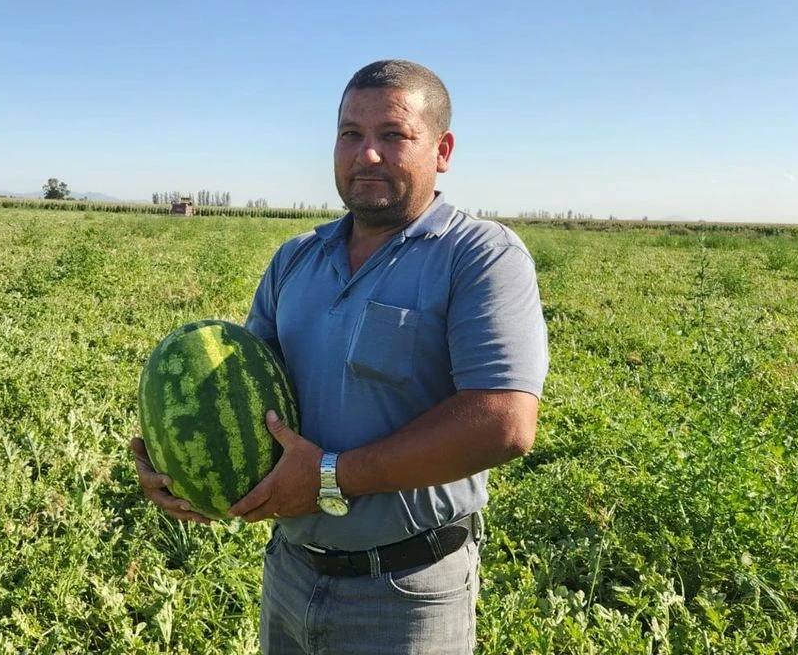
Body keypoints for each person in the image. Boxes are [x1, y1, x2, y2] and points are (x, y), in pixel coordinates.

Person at [132, 59, 549, 654]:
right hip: (290, 572)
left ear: (442, 149)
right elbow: (243, 400)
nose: (367, 154)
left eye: (393, 135)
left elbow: (504, 422)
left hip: (406, 592)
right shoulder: (295, 259)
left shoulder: (479, 256)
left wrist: (330, 477)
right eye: (350, 134)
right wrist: (179, 470)